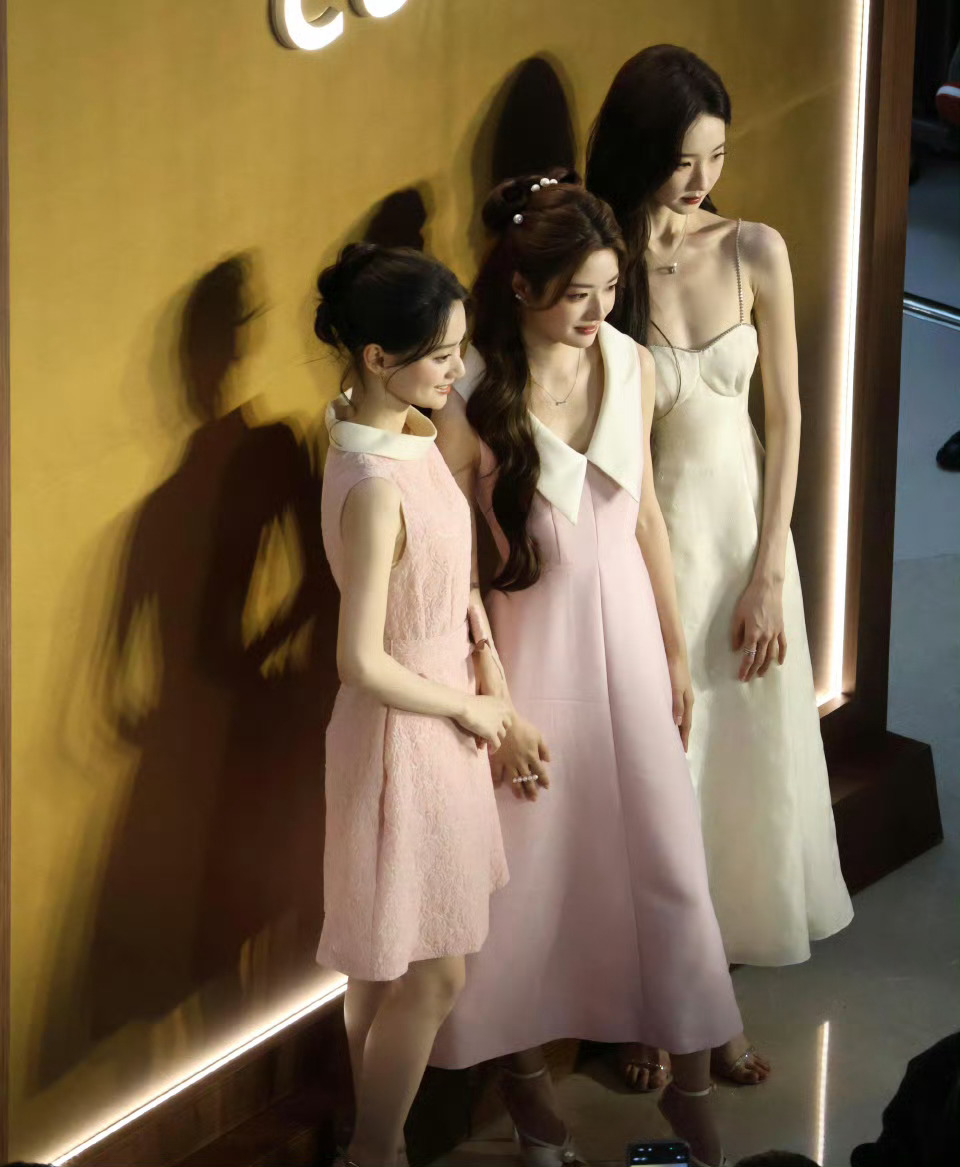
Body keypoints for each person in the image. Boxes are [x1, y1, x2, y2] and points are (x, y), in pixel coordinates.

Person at [430, 170, 741, 1167]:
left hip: (630, 653)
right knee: (525, 892)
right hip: (525, 666)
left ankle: (693, 1094)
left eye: (610, 290)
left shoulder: (631, 363)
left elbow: (645, 514)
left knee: (668, 868)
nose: (597, 311)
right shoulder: (467, 390)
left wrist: (676, 651)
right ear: (521, 286)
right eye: (577, 293)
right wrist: (492, 701)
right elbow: (450, 566)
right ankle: (531, 1104)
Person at [587, 44, 854, 1090]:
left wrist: (772, 569)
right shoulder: (604, 274)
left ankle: (714, 1000)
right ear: (641, 150)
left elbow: (786, 418)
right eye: (684, 159)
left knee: (737, 779)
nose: (703, 180)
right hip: (652, 560)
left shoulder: (753, 250)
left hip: (746, 547)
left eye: (718, 156)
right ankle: (654, 1005)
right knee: (662, 791)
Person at [313, 243, 513, 1167]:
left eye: (458, 347)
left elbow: (449, 575)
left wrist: (487, 663)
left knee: (382, 965)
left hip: (435, 712)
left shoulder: (401, 433)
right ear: (376, 357)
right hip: (407, 734)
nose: (457, 369)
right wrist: (466, 708)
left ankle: (375, 1148)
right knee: (430, 974)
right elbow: (359, 660)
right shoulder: (374, 484)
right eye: (440, 354)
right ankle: (374, 1150)